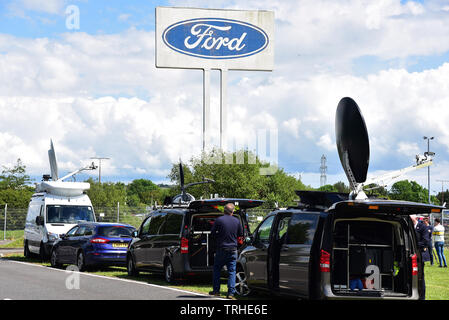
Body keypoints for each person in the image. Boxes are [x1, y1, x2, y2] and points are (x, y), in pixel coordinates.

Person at [209, 203, 243, 299]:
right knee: (232, 271)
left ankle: (216, 291)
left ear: (224, 210)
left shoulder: (219, 220)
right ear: (232, 211)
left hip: (221, 249)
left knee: (217, 270)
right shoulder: (237, 221)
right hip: (233, 250)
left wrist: (217, 239)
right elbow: (240, 234)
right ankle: (231, 293)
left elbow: (212, 234)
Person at [411, 215, 430, 300]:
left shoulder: (422, 227)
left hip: (420, 255)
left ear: (416, 218)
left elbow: (425, 240)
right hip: (410, 255)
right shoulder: (408, 226)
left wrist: (414, 246)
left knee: (420, 277)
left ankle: (421, 296)